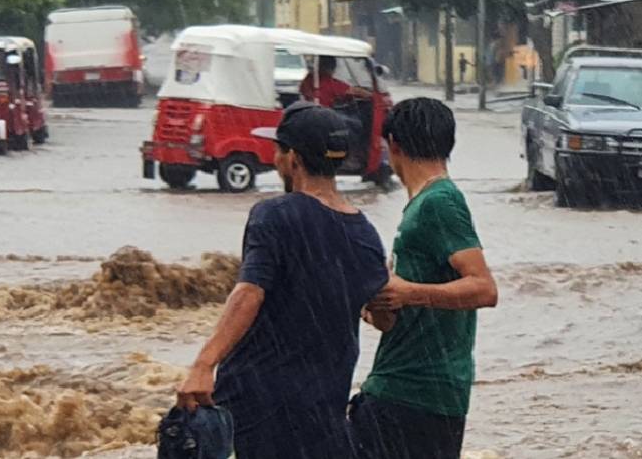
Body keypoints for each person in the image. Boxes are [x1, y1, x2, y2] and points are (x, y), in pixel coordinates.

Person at [176, 102, 388, 459]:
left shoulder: (274, 215)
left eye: (278, 151)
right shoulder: (365, 234)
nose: (274, 160)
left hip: (260, 403)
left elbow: (249, 293)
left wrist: (202, 365)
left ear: (293, 159)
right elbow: (384, 315)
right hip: (324, 408)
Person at [349, 98, 498, 459]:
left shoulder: (440, 202)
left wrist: (409, 293)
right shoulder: (422, 205)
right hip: (416, 391)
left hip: (413, 392)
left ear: (394, 145)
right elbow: (398, 305)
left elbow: (484, 288)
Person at [300, 55, 369, 108]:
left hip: (309, 112)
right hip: (325, 115)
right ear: (331, 68)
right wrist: (371, 95)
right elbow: (353, 91)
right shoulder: (330, 83)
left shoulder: (309, 79)